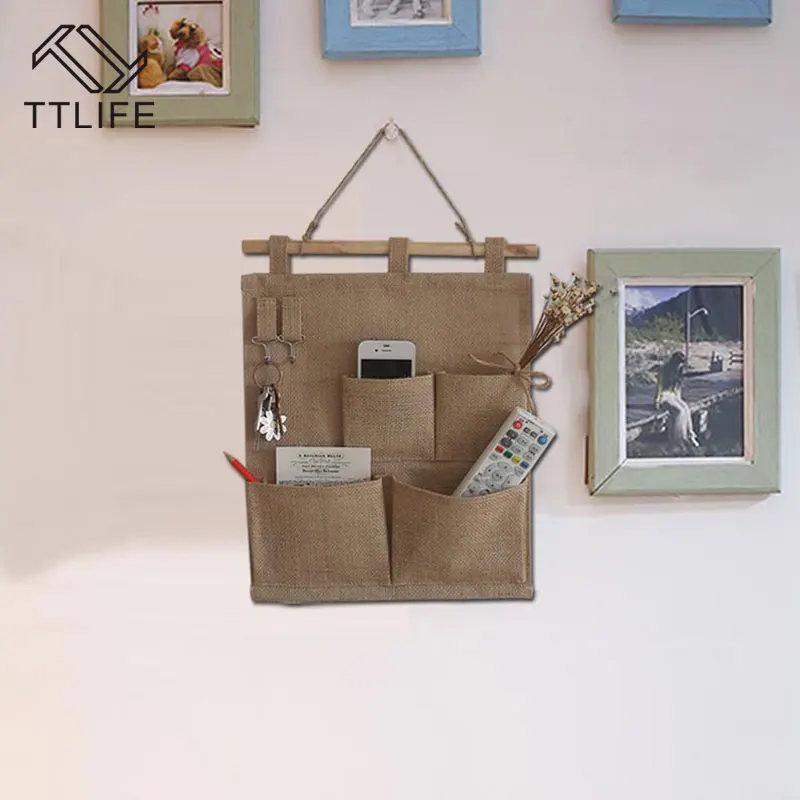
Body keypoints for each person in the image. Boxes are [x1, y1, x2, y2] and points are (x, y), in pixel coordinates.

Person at [654, 352, 700, 450]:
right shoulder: (664, 370)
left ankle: (690, 435)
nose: (680, 366)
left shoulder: (678, 371)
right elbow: (659, 386)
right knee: (680, 411)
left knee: (686, 408)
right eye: (679, 363)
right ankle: (680, 438)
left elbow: (678, 389)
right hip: (664, 396)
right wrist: (657, 400)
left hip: (674, 396)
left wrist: (679, 399)